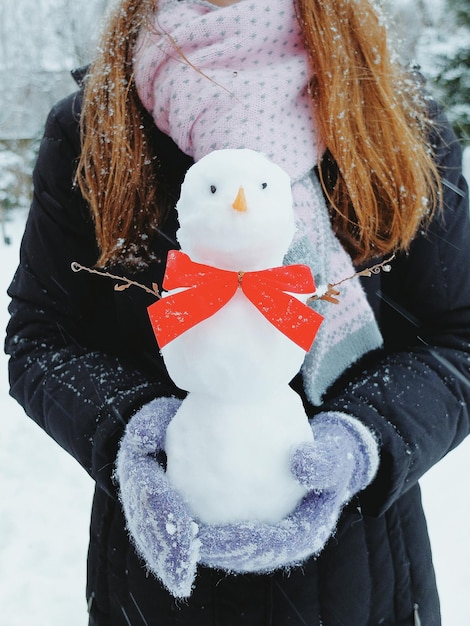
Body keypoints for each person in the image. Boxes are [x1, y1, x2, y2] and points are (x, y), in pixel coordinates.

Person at [5, 0, 470, 624]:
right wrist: (137, 437)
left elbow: (460, 332)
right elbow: (42, 336)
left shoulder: (389, 113)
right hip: (155, 584)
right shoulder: (99, 126)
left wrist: (362, 443)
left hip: (362, 579)